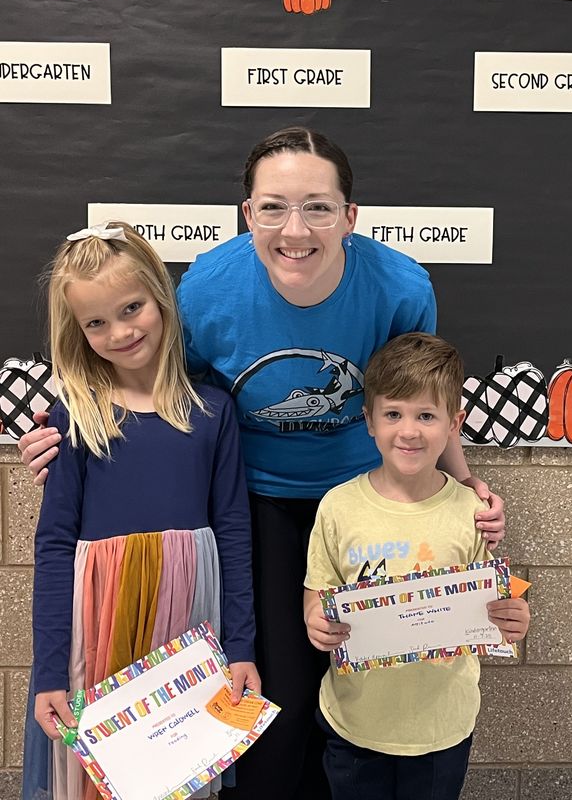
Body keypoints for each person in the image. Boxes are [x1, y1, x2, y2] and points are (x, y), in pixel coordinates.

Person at [20, 126, 505, 799]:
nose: (295, 228)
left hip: (363, 497)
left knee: (365, 674)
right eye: (273, 207)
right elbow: (152, 385)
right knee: (279, 692)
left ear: (350, 217)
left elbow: (419, 392)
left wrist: (464, 482)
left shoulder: (399, 286)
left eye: (317, 207)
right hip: (256, 500)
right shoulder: (206, 292)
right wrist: (69, 431)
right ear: (248, 214)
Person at [24, 222, 258, 800]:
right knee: (98, 773)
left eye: (132, 308)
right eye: (96, 322)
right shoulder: (76, 415)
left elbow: (233, 531)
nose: (120, 332)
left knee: (176, 765)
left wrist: (242, 649)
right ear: (77, 331)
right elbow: (53, 543)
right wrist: (51, 671)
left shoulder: (213, 411)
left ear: (161, 297)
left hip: (189, 622)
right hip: (96, 623)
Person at [304, 332, 529, 800]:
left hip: (441, 729)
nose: (409, 431)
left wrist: (513, 619)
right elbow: (318, 594)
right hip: (354, 723)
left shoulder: (472, 510)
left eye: (426, 415)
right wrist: (315, 622)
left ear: (454, 423)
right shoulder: (337, 507)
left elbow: (494, 607)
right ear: (368, 420)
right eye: (393, 414)